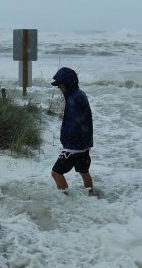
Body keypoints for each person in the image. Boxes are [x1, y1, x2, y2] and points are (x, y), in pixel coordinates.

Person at [50, 67, 94, 195]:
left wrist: (67, 141)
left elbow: (76, 123)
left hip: (74, 146)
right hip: (84, 145)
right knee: (84, 172)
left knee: (56, 173)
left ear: (67, 84)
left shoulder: (73, 98)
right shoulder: (80, 94)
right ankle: (91, 196)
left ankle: (65, 200)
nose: (59, 88)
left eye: (60, 85)